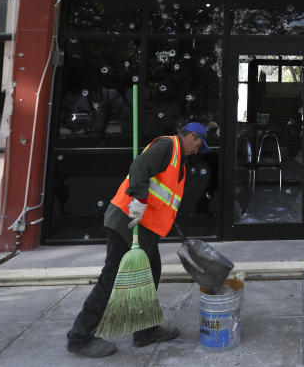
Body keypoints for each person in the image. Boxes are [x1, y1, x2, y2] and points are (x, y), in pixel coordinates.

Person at [66, 121, 210, 358]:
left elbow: (162, 195)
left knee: (151, 274)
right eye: (198, 143)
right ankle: (79, 337)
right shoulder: (167, 146)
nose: (198, 150)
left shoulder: (178, 162)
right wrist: (140, 199)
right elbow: (139, 167)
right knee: (111, 279)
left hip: (145, 229)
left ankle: (146, 331)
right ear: (191, 135)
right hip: (127, 222)